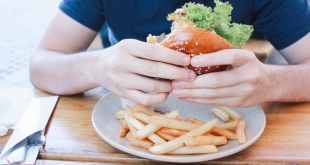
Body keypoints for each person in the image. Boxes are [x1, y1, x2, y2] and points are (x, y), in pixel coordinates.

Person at [30, 0, 310, 108]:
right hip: (122, 119)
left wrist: (272, 81)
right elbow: (40, 65)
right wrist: (94, 67)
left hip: (231, 122)